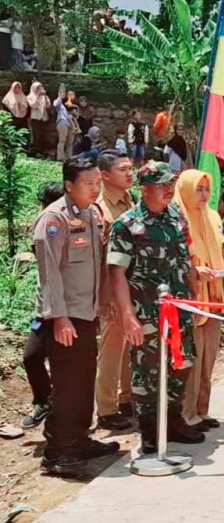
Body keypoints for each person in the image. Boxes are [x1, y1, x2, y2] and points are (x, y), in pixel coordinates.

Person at [31, 156, 120, 477]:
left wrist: (105, 299)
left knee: (83, 381)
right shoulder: (53, 219)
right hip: (65, 318)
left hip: (87, 313)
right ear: (70, 185)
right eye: (88, 183)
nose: (96, 188)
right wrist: (60, 318)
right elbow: (49, 274)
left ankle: (79, 439)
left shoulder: (92, 213)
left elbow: (97, 265)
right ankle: (57, 453)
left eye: (98, 182)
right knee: (67, 385)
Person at [107, 162, 205, 454]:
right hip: (146, 311)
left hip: (180, 309)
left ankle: (172, 422)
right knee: (146, 373)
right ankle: (149, 432)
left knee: (181, 363)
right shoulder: (128, 224)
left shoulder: (177, 216)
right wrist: (128, 316)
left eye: (170, 184)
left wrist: (196, 298)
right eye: (161, 185)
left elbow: (186, 262)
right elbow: (117, 275)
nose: (168, 190)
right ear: (144, 188)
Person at [174, 170, 224, 431]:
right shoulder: (177, 218)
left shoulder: (212, 216)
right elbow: (176, 257)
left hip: (213, 295)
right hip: (190, 297)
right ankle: (186, 414)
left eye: (205, 189)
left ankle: (202, 410)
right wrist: (193, 270)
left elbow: (221, 250)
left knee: (209, 356)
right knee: (193, 357)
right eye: (197, 189)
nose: (203, 195)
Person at [20, 182, 72, 430]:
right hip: (45, 307)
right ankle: (43, 400)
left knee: (67, 365)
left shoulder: (71, 224)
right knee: (31, 356)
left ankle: (68, 419)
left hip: (70, 307)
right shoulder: (44, 223)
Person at [93, 151, 137, 431]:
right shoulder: (101, 209)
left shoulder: (129, 201)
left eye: (131, 168)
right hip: (111, 289)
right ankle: (106, 408)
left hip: (130, 286)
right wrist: (105, 295)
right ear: (105, 176)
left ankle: (126, 398)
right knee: (110, 350)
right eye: (123, 169)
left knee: (127, 347)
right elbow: (100, 260)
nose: (130, 173)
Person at [26, 82, 50, 153]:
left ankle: (42, 150)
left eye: (40, 87)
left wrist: (45, 97)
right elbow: (34, 106)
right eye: (37, 88)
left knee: (43, 135)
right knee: (37, 136)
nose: (39, 89)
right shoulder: (30, 97)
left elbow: (48, 106)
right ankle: (37, 151)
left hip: (43, 118)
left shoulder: (44, 97)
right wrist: (37, 96)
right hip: (35, 118)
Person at [53, 86, 73, 161]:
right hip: (61, 122)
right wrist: (59, 97)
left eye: (64, 92)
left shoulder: (65, 104)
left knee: (69, 142)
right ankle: (60, 157)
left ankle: (69, 157)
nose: (62, 94)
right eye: (61, 92)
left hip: (68, 124)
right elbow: (56, 105)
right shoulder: (57, 101)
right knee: (62, 140)